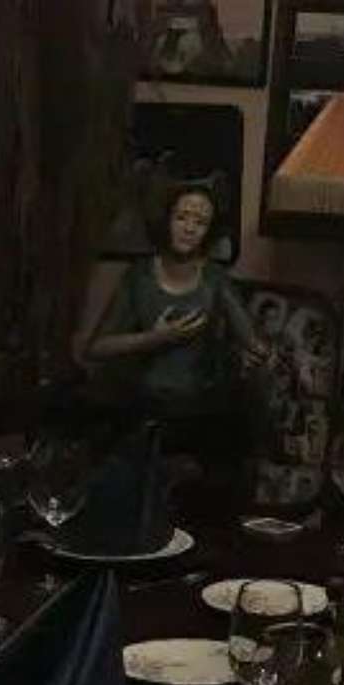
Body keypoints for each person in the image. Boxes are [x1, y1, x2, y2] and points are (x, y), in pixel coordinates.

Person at [80, 182, 268, 476]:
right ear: (167, 220)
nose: (189, 228)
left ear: (209, 231)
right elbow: (96, 348)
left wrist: (253, 357)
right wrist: (156, 338)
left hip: (198, 410)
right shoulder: (140, 276)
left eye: (200, 222)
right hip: (142, 405)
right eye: (182, 218)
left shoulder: (214, 278)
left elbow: (254, 343)